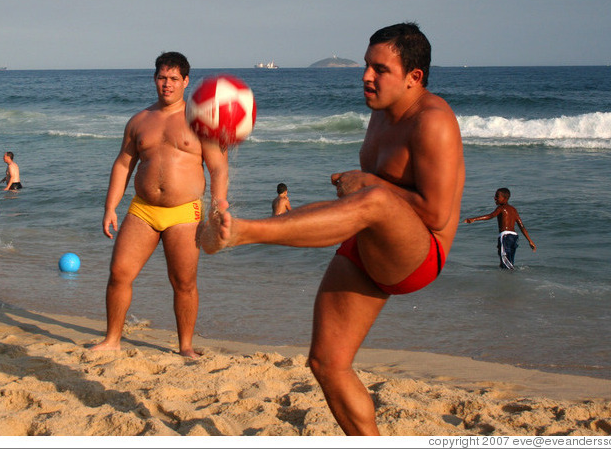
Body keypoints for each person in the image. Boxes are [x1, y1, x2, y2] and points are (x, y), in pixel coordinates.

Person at [198, 23, 465, 435]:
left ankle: (244, 232)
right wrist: (362, 187)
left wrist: (371, 184)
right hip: (367, 244)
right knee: (326, 363)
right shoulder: (380, 116)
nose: (366, 76)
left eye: (380, 69)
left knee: (375, 200)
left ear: (415, 77)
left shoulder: (433, 121)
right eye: (366, 66)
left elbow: (437, 214)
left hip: (419, 255)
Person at [90, 51, 229, 358]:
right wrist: (110, 207)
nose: (167, 85)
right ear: (155, 79)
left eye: (174, 79)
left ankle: (186, 346)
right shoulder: (139, 120)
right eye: (162, 78)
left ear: (186, 82)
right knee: (119, 273)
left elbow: (218, 167)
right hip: (142, 209)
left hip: (185, 212)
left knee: (183, 283)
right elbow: (123, 165)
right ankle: (112, 339)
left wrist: (219, 206)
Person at [464, 187, 536, 270]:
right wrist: (530, 241)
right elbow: (521, 226)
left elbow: (490, 216)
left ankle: (510, 278)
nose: (495, 198)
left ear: (505, 198)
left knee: (505, 263)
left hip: (505, 236)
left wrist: (474, 219)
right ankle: (509, 280)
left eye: (497, 196)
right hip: (514, 237)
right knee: (509, 261)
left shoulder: (501, 208)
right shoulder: (513, 210)